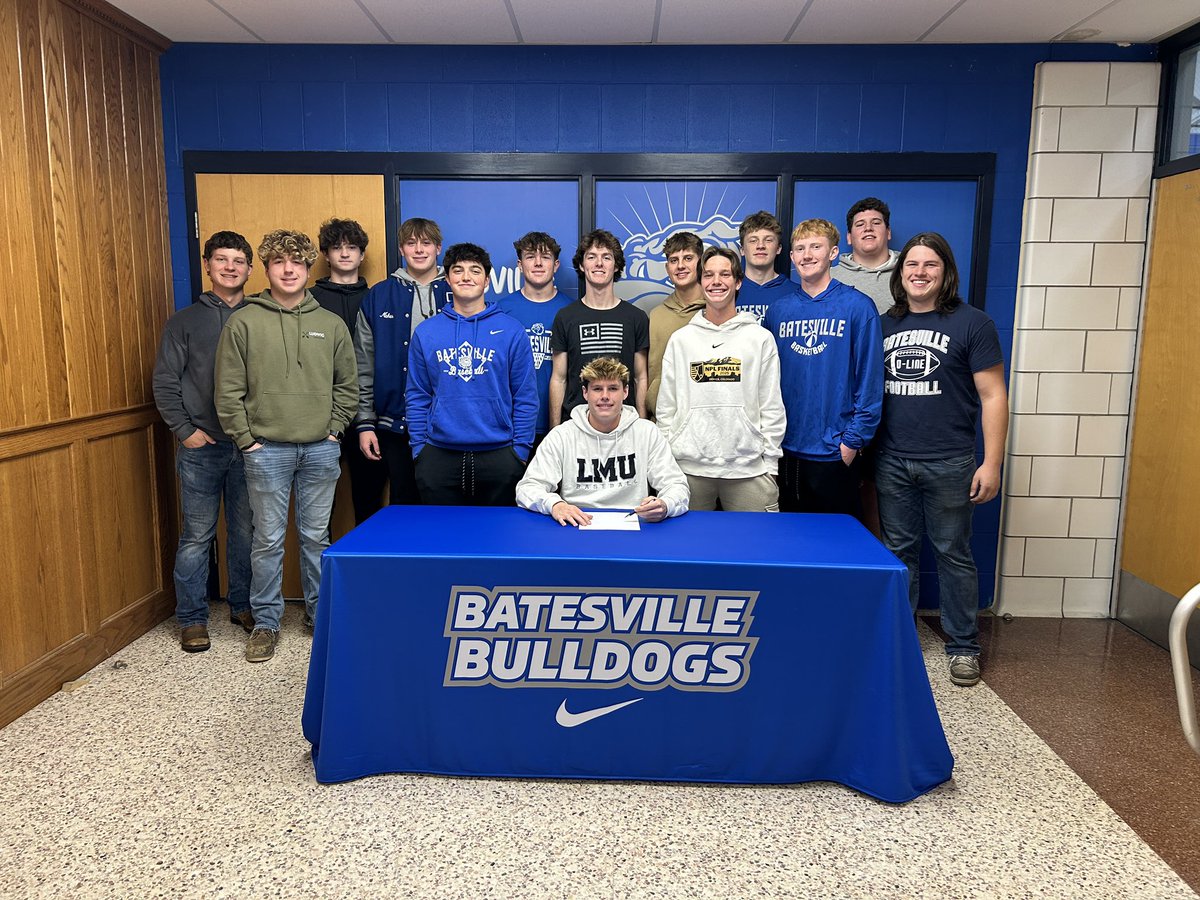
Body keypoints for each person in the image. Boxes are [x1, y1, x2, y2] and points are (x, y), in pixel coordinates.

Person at [215, 229, 357, 663]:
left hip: (320, 449)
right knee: (268, 540)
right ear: (267, 268)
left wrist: (334, 430)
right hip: (266, 451)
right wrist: (247, 440)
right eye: (279, 262)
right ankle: (266, 623)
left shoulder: (329, 324)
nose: (289, 269)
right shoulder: (244, 321)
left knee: (317, 537)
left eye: (297, 262)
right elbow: (227, 390)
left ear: (309, 267)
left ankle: (318, 615)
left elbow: (348, 387)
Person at [874, 232, 1008, 689]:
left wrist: (991, 463)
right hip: (892, 460)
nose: (920, 272)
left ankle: (963, 646)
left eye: (930, 264)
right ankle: (900, 639)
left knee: (953, 554)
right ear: (900, 272)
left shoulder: (973, 323)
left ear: (946, 272)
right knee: (898, 554)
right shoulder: (883, 324)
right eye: (912, 264)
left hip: (951, 461)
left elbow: (994, 396)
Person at [153, 231, 255, 653]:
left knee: (246, 532)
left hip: (250, 445)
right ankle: (192, 618)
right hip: (202, 445)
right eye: (221, 259)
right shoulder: (184, 321)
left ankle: (243, 604)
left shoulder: (262, 315)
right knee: (197, 535)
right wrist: (185, 430)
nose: (230, 267)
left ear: (250, 268)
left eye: (238, 260)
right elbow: (165, 381)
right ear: (208, 266)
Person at [764, 219, 882, 518]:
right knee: (791, 541)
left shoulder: (858, 306)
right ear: (790, 257)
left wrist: (852, 442)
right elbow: (764, 381)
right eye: (799, 249)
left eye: (815, 247)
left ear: (833, 252)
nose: (806, 255)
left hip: (834, 451)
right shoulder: (779, 311)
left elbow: (870, 380)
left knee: (837, 546)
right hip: (786, 450)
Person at [406, 243, 537, 506]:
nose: (466, 277)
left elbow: (525, 395)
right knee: (442, 540)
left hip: (500, 454)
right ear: (448, 278)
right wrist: (420, 449)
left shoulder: (511, 330)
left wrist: (520, 451)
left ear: (486, 281)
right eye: (458, 270)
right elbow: (417, 394)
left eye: (475, 271)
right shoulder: (427, 332)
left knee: (498, 541)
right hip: (439, 455)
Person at [657, 247, 785, 512]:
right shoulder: (682, 340)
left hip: (748, 469)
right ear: (701, 281)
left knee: (755, 550)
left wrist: (770, 464)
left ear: (738, 282)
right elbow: (666, 406)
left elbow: (771, 405)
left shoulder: (759, 338)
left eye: (725, 274)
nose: (716, 282)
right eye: (709, 275)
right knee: (688, 550)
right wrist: (669, 459)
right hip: (688, 469)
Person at [517, 357, 688, 526]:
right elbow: (527, 488)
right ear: (585, 393)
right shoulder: (562, 436)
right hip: (577, 523)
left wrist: (665, 504)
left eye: (613, 388)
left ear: (626, 392)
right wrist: (555, 504)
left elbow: (676, 485)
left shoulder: (647, 433)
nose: (605, 396)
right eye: (597, 389)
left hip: (634, 523)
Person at [354, 218, 452, 507]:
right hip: (395, 425)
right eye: (411, 243)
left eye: (426, 243)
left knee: (447, 511)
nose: (419, 250)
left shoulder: (458, 291)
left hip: (450, 425)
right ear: (401, 249)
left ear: (438, 248)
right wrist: (364, 423)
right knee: (403, 507)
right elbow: (363, 365)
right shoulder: (379, 296)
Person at [310, 217, 384, 524]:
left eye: (351, 247)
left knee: (369, 503)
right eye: (336, 247)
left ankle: (368, 570)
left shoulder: (378, 299)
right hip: (320, 415)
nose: (344, 253)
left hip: (368, 414)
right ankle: (322, 573)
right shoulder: (309, 299)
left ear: (362, 255)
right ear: (325, 255)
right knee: (318, 511)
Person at [548, 229, 649, 426]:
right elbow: (558, 379)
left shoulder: (636, 317)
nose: (599, 264)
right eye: (591, 257)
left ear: (617, 265)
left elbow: (640, 377)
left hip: (624, 425)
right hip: (577, 425)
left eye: (607, 257)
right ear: (581, 264)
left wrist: (643, 427)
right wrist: (555, 430)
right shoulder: (565, 317)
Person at [496, 232, 572, 450]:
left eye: (545, 257)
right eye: (530, 257)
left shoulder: (571, 311)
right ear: (520, 265)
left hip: (560, 426)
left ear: (556, 265)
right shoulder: (501, 311)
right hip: (511, 427)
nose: (538, 263)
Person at [646, 231, 706, 419]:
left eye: (688, 258)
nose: (680, 266)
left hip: (707, 419)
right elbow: (649, 372)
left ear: (701, 262)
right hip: (664, 420)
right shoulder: (656, 315)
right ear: (667, 267)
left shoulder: (716, 311)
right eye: (674, 260)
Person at [836, 197, 899, 315]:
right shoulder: (829, 278)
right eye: (860, 224)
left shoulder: (909, 273)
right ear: (849, 237)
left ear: (888, 232)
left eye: (876, 223)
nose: (868, 228)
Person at [736, 211, 796, 325]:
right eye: (753, 241)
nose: (760, 246)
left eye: (768, 240)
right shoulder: (728, 293)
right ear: (742, 250)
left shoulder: (796, 293)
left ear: (778, 248)